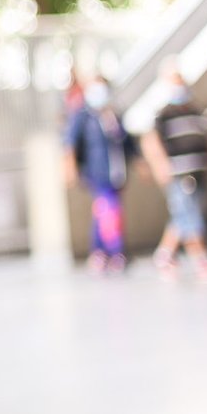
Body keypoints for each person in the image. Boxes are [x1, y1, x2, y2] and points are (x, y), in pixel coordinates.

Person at [140, 61, 207, 282]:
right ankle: (201, 256)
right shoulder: (164, 114)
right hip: (180, 174)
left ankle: (164, 254)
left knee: (183, 215)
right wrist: (160, 165)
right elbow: (150, 141)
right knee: (189, 215)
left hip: (199, 171)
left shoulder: (194, 111)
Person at [62, 75, 140, 273]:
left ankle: (99, 253)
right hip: (97, 173)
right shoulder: (83, 115)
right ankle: (117, 251)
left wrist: (139, 162)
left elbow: (127, 143)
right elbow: (70, 143)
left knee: (103, 214)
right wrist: (70, 168)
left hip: (116, 173)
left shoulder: (113, 115)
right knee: (110, 210)